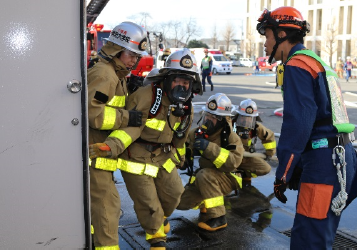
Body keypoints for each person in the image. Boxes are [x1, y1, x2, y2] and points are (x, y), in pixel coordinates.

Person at [256, 6, 357, 249]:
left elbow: (297, 123)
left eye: (267, 36)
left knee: (308, 241)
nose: (265, 43)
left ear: (281, 35)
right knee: (320, 236)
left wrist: (283, 173)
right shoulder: (316, 61)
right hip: (341, 157)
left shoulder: (296, 65)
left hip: (324, 163)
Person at [90, 48, 201, 249]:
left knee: (175, 195)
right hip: (137, 157)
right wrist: (110, 147)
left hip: (164, 156)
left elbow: (180, 137)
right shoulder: (147, 96)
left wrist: (182, 158)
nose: (182, 87)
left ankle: (159, 219)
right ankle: (156, 238)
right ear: (167, 79)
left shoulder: (187, 107)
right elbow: (131, 127)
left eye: (186, 83)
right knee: (148, 203)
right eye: (177, 80)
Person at [87, 21, 146, 249]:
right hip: (96, 154)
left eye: (137, 57)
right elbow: (94, 114)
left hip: (102, 154)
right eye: (131, 55)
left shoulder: (115, 73)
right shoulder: (105, 74)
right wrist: (127, 118)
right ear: (116, 49)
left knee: (102, 209)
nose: (134, 61)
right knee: (107, 210)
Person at [177, 93, 244, 232]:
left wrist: (209, 148)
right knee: (180, 204)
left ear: (223, 120)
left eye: (214, 117)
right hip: (202, 179)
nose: (208, 119)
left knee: (205, 175)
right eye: (207, 115)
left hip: (227, 178)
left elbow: (233, 163)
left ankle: (219, 218)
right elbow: (182, 151)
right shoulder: (195, 133)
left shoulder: (231, 138)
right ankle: (205, 203)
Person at [232, 99, 276, 186]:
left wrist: (269, 153)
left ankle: (244, 174)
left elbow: (269, 137)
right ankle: (233, 175)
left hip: (246, 157)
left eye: (249, 118)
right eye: (243, 117)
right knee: (232, 181)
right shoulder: (230, 125)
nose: (246, 121)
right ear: (238, 116)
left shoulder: (256, 127)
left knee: (265, 168)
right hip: (232, 157)